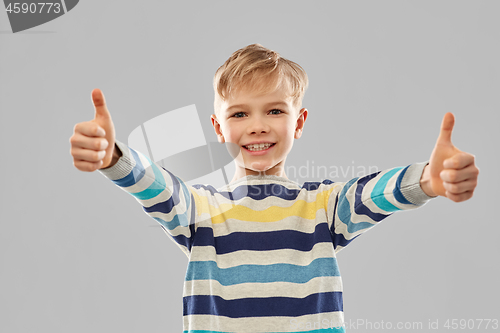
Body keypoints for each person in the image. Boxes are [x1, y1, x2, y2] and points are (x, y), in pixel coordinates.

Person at [69, 44, 479, 333]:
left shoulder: (322, 207)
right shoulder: (200, 211)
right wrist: (111, 157)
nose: (258, 125)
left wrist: (427, 179)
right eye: (240, 113)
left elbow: (374, 193)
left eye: (275, 110)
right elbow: (156, 187)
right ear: (219, 128)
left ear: (298, 123)